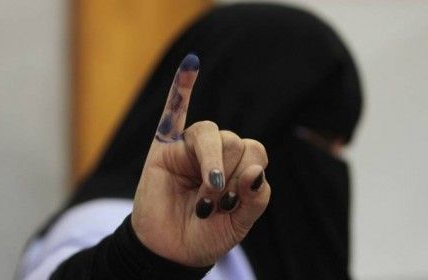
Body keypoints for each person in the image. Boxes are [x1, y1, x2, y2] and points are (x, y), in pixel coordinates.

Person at [18, 3, 362, 279]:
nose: (334, 162)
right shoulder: (113, 228)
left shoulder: (236, 247)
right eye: (322, 142)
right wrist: (144, 263)